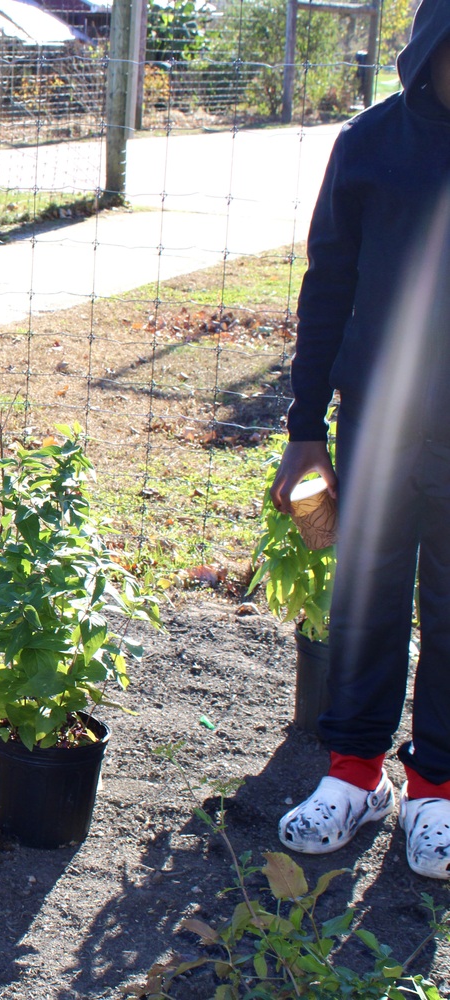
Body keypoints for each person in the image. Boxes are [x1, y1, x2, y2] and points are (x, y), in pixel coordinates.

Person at [273, 0, 450, 880]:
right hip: (377, 425)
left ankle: (438, 792)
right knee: (367, 600)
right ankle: (353, 775)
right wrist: (306, 432)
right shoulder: (373, 144)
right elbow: (327, 287)